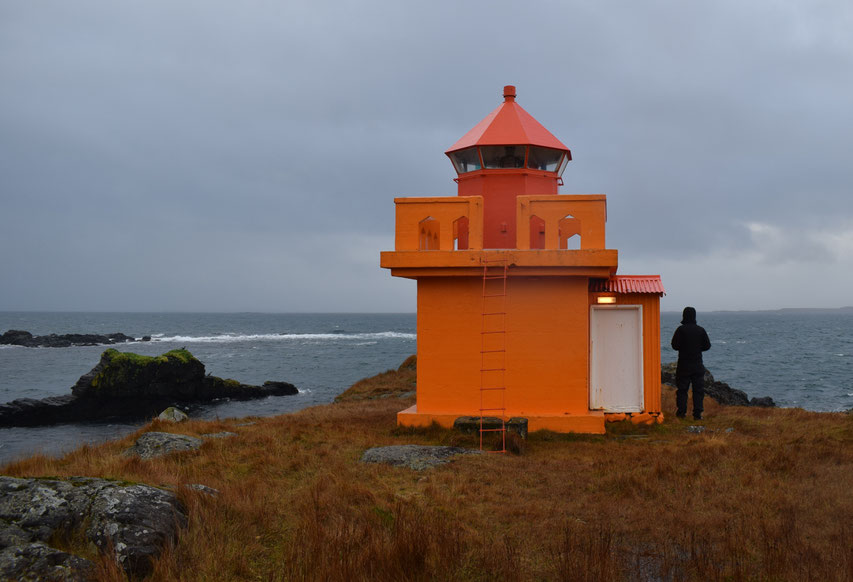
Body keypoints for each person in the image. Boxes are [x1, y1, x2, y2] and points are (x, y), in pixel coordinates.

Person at [671, 306, 711, 420]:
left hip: (683, 365)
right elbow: (707, 346)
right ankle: (697, 414)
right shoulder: (700, 330)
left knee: (682, 390)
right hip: (697, 364)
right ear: (694, 316)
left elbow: (674, 346)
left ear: (684, 316)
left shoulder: (680, 330)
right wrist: (697, 348)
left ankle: (681, 413)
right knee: (698, 390)